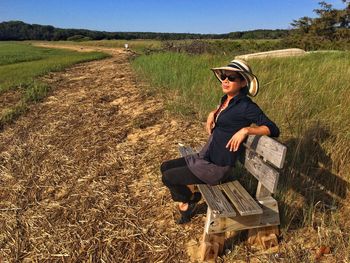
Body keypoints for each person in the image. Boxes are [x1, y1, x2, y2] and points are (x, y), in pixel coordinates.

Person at [160, 59, 280, 224]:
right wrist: (213, 112)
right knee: (165, 166)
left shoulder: (246, 106)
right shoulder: (227, 99)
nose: (225, 80)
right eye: (224, 76)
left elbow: (273, 128)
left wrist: (246, 130)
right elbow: (225, 113)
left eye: (231, 78)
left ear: (243, 82)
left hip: (216, 167)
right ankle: (191, 196)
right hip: (206, 157)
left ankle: (188, 203)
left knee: (168, 177)